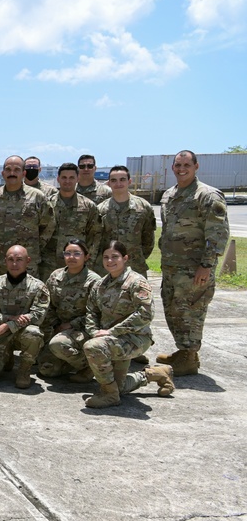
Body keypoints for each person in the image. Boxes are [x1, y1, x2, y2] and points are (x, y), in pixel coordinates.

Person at [156, 150, 230, 376]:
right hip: (172, 267)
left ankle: (189, 357)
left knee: (192, 312)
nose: (181, 169)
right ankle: (184, 352)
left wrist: (206, 265)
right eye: (178, 165)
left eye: (186, 164)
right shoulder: (169, 194)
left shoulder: (208, 195)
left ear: (196, 167)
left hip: (194, 269)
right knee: (173, 310)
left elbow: (218, 234)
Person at [82, 241, 175, 408]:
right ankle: (155, 374)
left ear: (125, 258)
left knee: (92, 347)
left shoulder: (136, 282)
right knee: (120, 386)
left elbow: (145, 314)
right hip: (108, 340)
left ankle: (109, 395)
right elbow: (91, 311)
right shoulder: (100, 285)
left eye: (115, 257)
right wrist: (94, 332)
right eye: (106, 257)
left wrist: (111, 332)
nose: (110, 261)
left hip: (134, 339)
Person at [0, 245, 49, 389]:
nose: (14, 264)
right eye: (11, 259)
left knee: (33, 333)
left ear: (28, 261)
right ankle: (6, 356)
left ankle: (24, 369)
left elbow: (38, 316)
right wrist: (8, 319)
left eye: (19, 260)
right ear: (5, 261)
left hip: (23, 334)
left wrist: (8, 325)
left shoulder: (38, 287)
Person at [0, 155, 55, 279]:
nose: (12, 173)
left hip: (27, 264)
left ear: (23, 173)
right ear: (3, 173)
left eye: (16, 170)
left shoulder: (37, 197)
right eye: (8, 170)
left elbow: (49, 225)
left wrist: (34, 246)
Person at [38, 240, 101, 380]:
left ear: (86, 256)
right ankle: (71, 363)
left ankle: (89, 367)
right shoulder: (56, 276)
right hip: (59, 328)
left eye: (77, 253)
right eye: (68, 253)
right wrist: (54, 325)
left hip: (83, 330)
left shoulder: (94, 281)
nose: (71, 257)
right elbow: (47, 305)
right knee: (47, 370)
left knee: (58, 345)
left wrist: (72, 325)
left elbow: (97, 313)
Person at [42, 164, 102, 278]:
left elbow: (95, 236)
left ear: (77, 179)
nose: (67, 181)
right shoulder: (47, 204)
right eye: (64, 177)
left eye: (71, 178)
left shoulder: (88, 206)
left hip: (78, 264)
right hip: (49, 264)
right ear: (58, 179)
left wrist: (88, 260)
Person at [97, 165, 155, 277]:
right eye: (114, 180)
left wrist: (137, 257)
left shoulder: (143, 207)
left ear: (129, 181)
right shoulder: (101, 210)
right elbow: (97, 242)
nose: (118, 184)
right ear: (109, 183)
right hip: (108, 269)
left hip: (135, 268)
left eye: (122, 179)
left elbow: (148, 240)